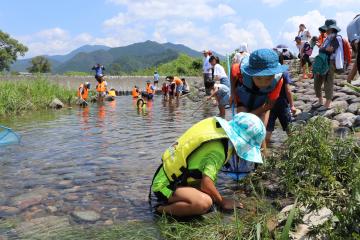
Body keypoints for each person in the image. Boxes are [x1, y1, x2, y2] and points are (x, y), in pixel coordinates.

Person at [150, 112, 266, 217]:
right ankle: (160, 209)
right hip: (164, 186)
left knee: (210, 196)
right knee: (204, 203)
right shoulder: (218, 151)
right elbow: (206, 184)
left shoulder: (221, 137)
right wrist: (222, 201)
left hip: (171, 177)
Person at [231, 48, 288, 127]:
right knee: (242, 127)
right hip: (243, 103)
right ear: (250, 73)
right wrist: (232, 93)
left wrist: (250, 116)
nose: (263, 83)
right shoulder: (241, 71)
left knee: (260, 132)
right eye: (258, 78)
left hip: (263, 106)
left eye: (268, 78)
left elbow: (270, 104)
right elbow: (233, 69)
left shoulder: (278, 80)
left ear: (274, 74)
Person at [266, 55, 297, 145]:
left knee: (269, 128)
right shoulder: (284, 72)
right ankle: (295, 147)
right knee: (289, 128)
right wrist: (292, 105)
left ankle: (264, 151)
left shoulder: (268, 72)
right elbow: (288, 91)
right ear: (282, 61)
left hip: (270, 104)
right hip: (282, 104)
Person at [313, 19, 343, 110]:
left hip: (330, 62)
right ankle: (320, 100)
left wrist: (323, 49)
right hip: (323, 62)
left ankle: (328, 102)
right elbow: (325, 49)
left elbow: (330, 49)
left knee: (328, 82)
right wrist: (324, 49)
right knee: (317, 82)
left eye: (327, 29)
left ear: (332, 29)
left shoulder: (336, 38)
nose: (326, 30)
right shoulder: (327, 38)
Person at [347, 14, 360, 83]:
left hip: (354, 43)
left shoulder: (350, 25)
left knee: (356, 64)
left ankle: (348, 82)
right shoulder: (358, 21)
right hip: (357, 42)